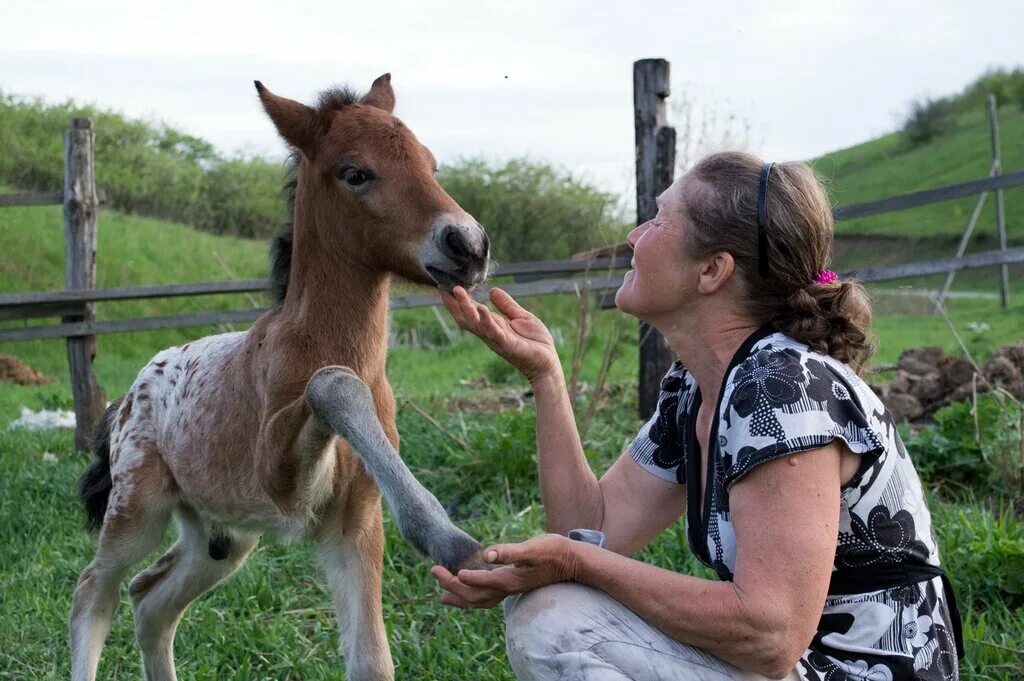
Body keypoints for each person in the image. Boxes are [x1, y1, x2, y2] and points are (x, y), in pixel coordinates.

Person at [431, 151, 961, 681]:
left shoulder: (783, 387)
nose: (636, 236)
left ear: (712, 270)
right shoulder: (696, 388)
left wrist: (578, 563)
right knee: (552, 607)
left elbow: (770, 632)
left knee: (554, 621)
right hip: (798, 667)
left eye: (660, 220)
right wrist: (545, 376)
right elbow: (589, 529)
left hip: (858, 672)